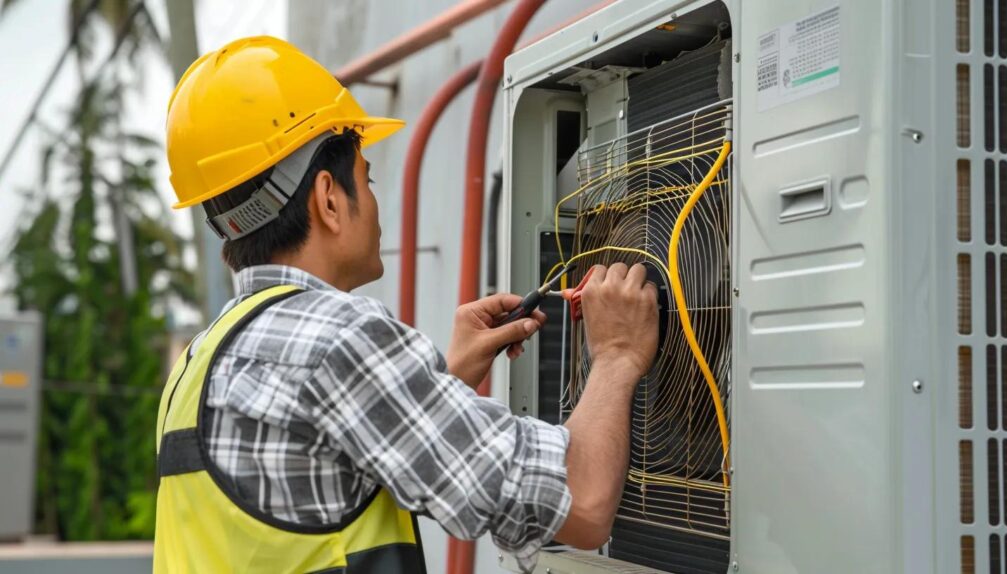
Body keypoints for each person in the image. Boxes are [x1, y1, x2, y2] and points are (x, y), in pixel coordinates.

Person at [153, 36, 658, 573]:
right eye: (366, 180)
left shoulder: (197, 363)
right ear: (328, 198)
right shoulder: (338, 340)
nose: (372, 202)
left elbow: (325, 478)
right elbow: (581, 504)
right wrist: (618, 354)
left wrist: (448, 377)